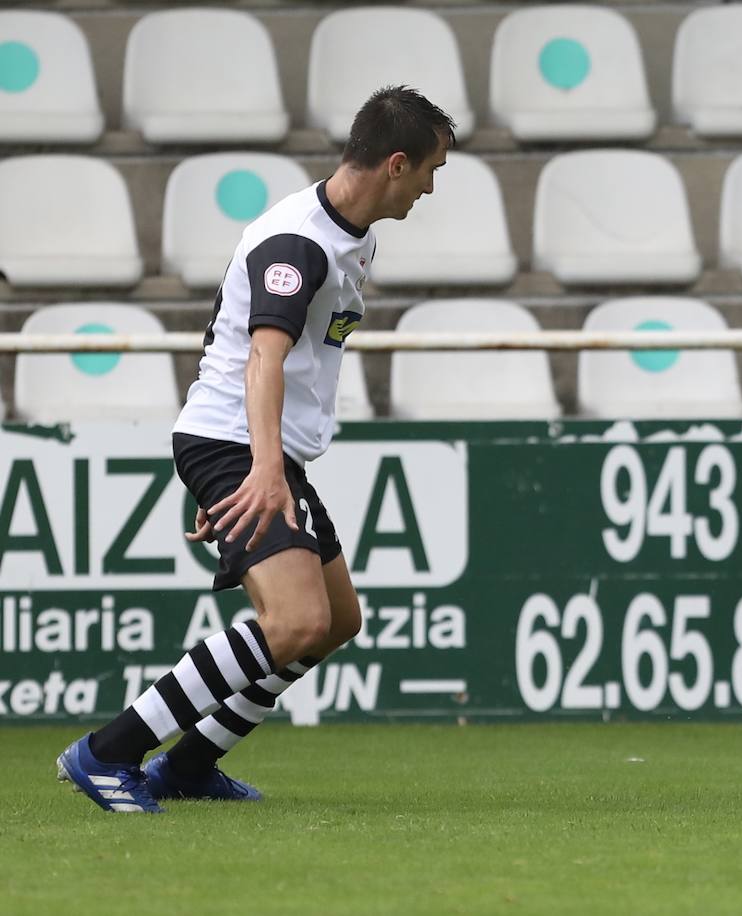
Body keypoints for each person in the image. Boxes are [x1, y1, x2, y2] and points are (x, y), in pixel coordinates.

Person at [57, 86, 456, 813]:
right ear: (396, 164)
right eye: (429, 170)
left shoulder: (355, 234)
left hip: (261, 449)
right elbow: (261, 361)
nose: (431, 187)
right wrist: (264, 472)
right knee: (294, 622)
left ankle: (188, 767)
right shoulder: (298, 244)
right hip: (237, 441)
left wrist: (275, 467)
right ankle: (106, 752)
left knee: (335, 622)